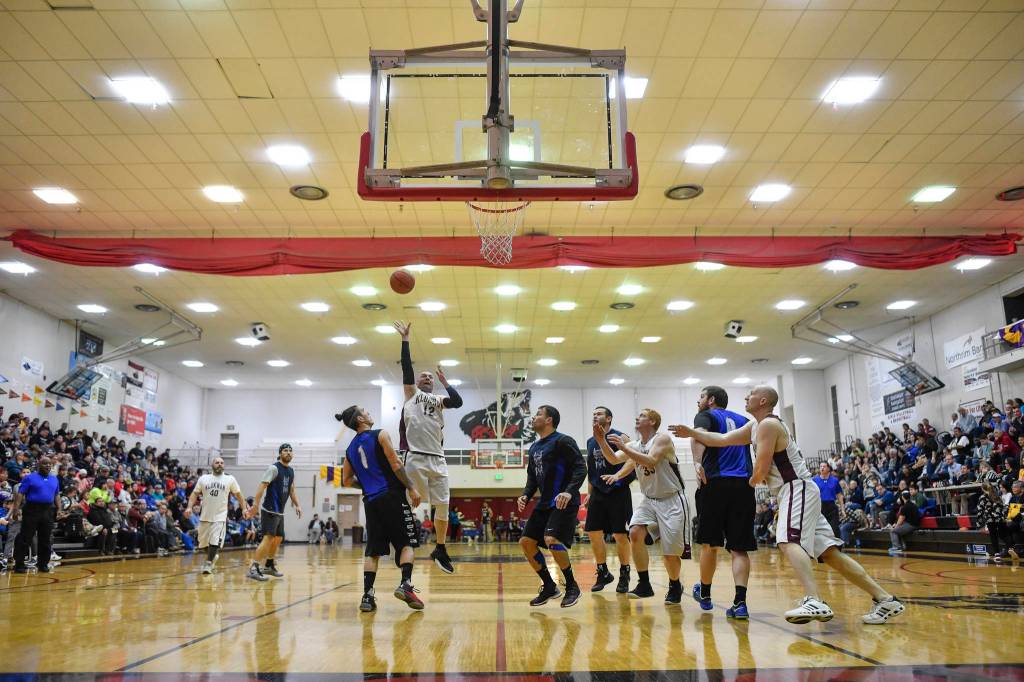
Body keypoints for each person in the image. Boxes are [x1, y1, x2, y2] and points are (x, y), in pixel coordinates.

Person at [670, 386, 905, 625]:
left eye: (750, 394)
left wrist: (748, 484)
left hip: (796, 487)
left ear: (762, 401)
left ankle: (814, 600)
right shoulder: (755, 426)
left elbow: (760, 470)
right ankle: (885, 599)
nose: (744, 397)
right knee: (830, 554)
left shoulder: (769, 426)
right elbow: (720, 439)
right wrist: (690, 431)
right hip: (795, 491)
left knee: (786, 541)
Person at [596, 408, 690, 605]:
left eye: (643, 416)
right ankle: (644, 584)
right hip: (649, 499)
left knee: (670, 553)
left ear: (653, 421)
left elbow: (651, 460)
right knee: (635, 533)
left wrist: (625, 447)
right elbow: (613, 459)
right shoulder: (635, 444)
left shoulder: (662, 439)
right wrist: (601, 441)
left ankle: (674, 585)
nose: (637, 418)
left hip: (671, 499)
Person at [392, 321, 464, 574]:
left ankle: (440, 548)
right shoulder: (411, 395)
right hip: (416, 458)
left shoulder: (438, 400)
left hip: (438, 458)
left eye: (430, 377)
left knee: (443, 504)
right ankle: (401, 542)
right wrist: (405, 340)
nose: (427, 378)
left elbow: (458, 401)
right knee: (409, 502)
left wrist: (445, 380)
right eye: (424, 375)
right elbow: (407, 371)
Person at [338, 404, 424, 612]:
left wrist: (367, 485)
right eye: (365, 411)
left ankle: (367, 596)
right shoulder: (380, 434)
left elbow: (346, 481)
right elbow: (396, 465)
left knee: (373, 552)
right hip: (392, 496)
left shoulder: (349, 449)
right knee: (406, 544)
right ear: (360, 420)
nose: (369, 413)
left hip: (371, 502)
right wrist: (412, 488)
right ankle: (405, 584)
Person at [688, 386, 754, 619]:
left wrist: (697, 463)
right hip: (744, 485)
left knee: (710, 544)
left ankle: (705, 594)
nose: (699, 401)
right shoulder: (745, 420)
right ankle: (740, 603)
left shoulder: (706, 415)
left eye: (701, 397)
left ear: (711, 400)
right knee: (739, 548)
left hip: (714, 483)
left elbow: (699, 437)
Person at [517, 405, 587, 608]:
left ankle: (572, 586)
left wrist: (569, 491)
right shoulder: (535, 447)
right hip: (544, 503)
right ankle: (549, 586)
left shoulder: (563, 441)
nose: (533, 417)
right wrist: (525, 495)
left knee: (551, 539)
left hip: (564, 501)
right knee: (526, 542)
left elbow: (581, 468)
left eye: (538, 414)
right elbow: (532, 477)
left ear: (549, 420)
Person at [584, 406, 634, 594]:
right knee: (593, 532)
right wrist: (589, 492)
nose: (595, 416)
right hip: (598, 491)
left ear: (609, 418)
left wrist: (619, 476)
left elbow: (632, 460)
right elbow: (591, 470)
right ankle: (603, 572)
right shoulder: (590, 441)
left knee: (620, 535)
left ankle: (624, 573)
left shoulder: (621, 437)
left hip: (618, 491)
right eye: (593, 413)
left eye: (599, 413)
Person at [244, 443, 302, 581]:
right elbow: (262, 486)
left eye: (290, 451)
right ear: (280, 453)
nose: (288, 453)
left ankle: (269, 565)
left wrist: (297, 505)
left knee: (278, 538)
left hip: (280, 512)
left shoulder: (291, 471)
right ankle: (253, 568)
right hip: (269, 509)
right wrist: (255, 505)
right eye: (285, 451)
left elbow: (291, 490)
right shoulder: (274, 468)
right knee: (268, 537)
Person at [187, 456, 247, 574]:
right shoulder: (204, 478)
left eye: (221, 463)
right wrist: (189, 507)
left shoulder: (229, 479)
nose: (220, 464)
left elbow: (239, 495)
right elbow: (194, 494)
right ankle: (212, 556)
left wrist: (244, 508)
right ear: (212, 465)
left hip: (220, 516)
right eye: (217, 462)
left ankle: (208, 564)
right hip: (205, 516)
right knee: (202, 544)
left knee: (215, 540)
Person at [9, 456, 58, 573]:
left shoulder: (54, 479)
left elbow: (57, 495)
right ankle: (19, 564)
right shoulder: (29, 478)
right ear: (39, 465)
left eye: (49, 464)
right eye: (45, 464)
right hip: (32, 509)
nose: (48, 466)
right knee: (25, 537)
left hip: (48, 510)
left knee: (45, 539)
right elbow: (20, 494)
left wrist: (59, 508)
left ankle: (43, 564)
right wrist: (16, 509)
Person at [976, 482, 1007, 559]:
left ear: (983, 489)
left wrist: (978, 523)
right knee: (1003, 535)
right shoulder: (997, 495)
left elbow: (980, 510)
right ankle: (1011, 547)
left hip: (990, 519)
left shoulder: (982, 497)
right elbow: (1002, 507)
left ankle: (996, 553)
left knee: (993, 536)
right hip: (1000, 519)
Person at [812, 462, 843, 538]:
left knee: (834, 528)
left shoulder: (835, 480)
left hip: (832, 506)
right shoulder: (814, 480)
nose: (822, 468)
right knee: (820, 529)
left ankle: (837, 546)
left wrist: (843, 509)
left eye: (824, 466)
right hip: (820, 507)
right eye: (821, 466)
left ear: (828, 468)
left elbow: (839, 495)